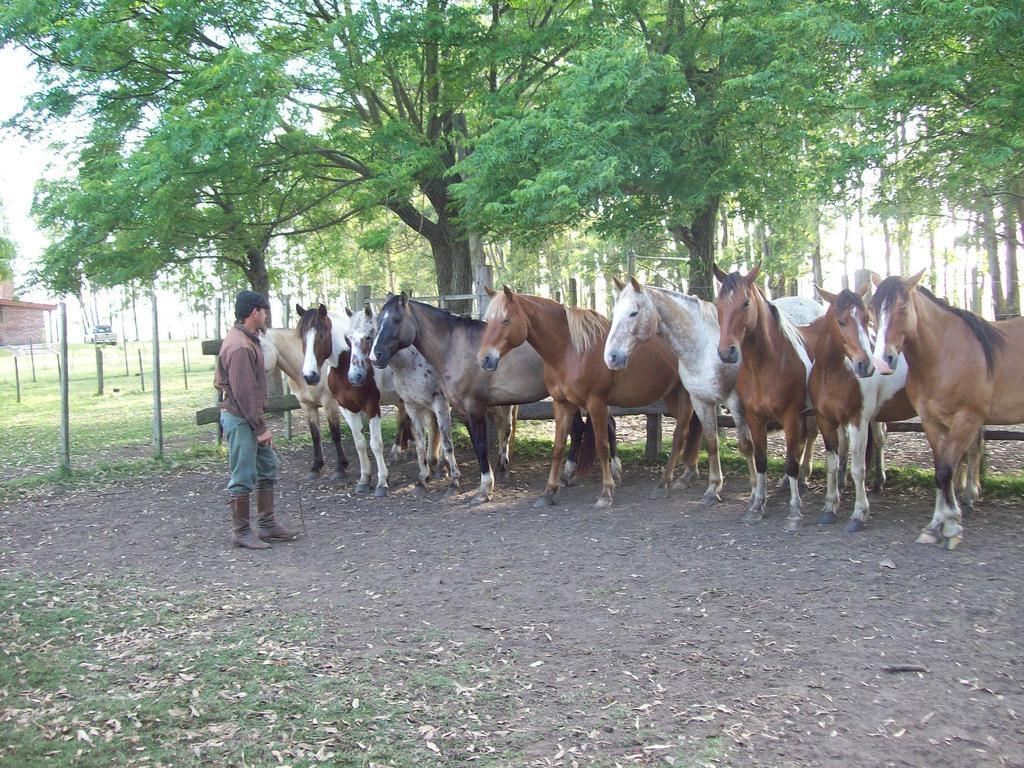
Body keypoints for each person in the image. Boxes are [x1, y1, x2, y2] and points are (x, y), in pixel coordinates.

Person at [215, 290, 298, 549]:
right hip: (241, 419)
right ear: (254, 312)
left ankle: (267, 524)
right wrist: (261, 428)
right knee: (243, 474)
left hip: (248, 417)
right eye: (264, 312)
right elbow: (244, 393)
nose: (265, 317)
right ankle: (241, 531)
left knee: (268, 464)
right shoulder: (240, 346)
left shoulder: (247, 339)